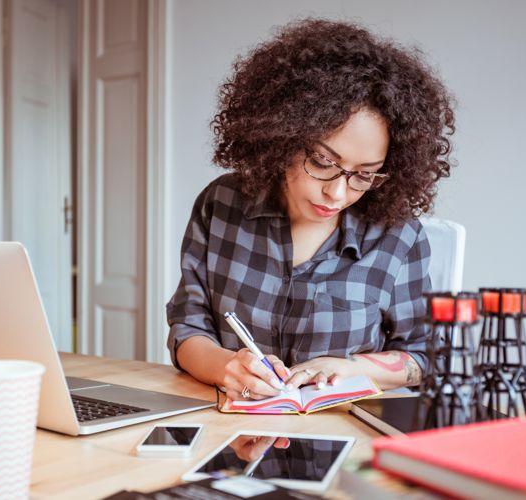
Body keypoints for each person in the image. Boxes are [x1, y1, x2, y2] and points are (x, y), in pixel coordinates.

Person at [166, 18, 455, 402]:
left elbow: (425, 355)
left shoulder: (397, 235)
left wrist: (353, 368)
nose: (337, 192)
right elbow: (188, 327)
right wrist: (226, 367)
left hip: (342, 441)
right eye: (321, 162)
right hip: (231, 430)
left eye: (363, 175)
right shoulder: (221, 205)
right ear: (283, 138)